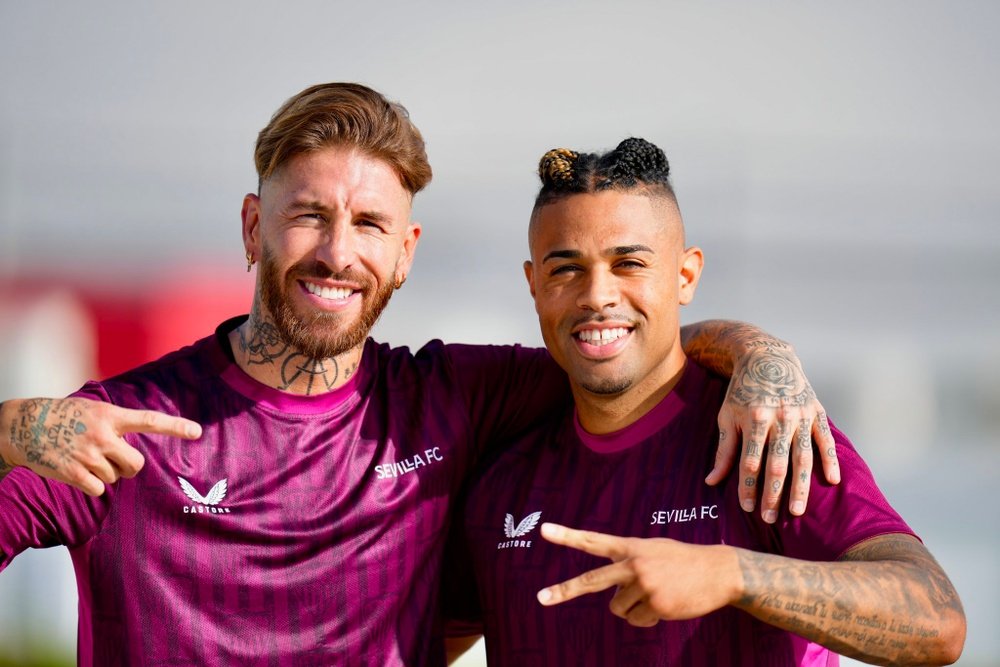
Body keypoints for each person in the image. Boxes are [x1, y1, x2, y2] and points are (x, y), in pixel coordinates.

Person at [0, 85, 834, 666]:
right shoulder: (116, 427)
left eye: (368, 223)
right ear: (255, 225)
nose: (336, 250)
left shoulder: (456, 399)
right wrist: (8, 426)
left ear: (405, 253)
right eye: (308, 216)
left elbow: (624, 344)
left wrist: (762, 352)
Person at [444, 139, 966, 665]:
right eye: (565, 269)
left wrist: (731, 574)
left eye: (628, 263)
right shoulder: (500, 470)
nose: (597, 295)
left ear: (685, 275)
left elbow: (936, 621)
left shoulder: (764, 433)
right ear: (534, 284)